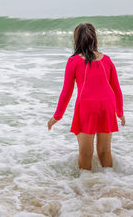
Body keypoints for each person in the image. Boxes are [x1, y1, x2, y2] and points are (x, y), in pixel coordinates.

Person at [47, 23, 125, 171]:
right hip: (107, 105)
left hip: (87, 106)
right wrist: (119, 113)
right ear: (94, 38)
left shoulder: (74, 61)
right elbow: (116, 89)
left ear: (76, 40)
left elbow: (66, 92)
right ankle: (111, 183)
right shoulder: (106, 59)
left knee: (85, 153)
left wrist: (57, 116)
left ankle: (86, 186)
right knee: (105, 151)